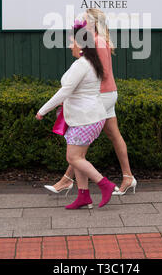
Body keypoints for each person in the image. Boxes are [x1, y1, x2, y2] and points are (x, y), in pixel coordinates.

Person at [44, 9, 136, 196]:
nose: (80, 20)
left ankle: (67, 181)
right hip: (107, 94)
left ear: (93, 23)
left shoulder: (97, 41)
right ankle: (128, 177)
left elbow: (99, 73)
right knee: (113, 135)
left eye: (84, 19)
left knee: (79, 140)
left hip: (101, 95)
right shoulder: (98, 39)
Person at [35, 20, 116, 209]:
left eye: (72, 41)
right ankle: (83, 196)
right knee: (79, 158)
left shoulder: (81, 65)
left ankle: (105, 184)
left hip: (85, 119)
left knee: (73, 158)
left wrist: (42, 111)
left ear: (80, 45)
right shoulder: (91, 63)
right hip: (89, 118)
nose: (70, 45)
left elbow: (65, 91)